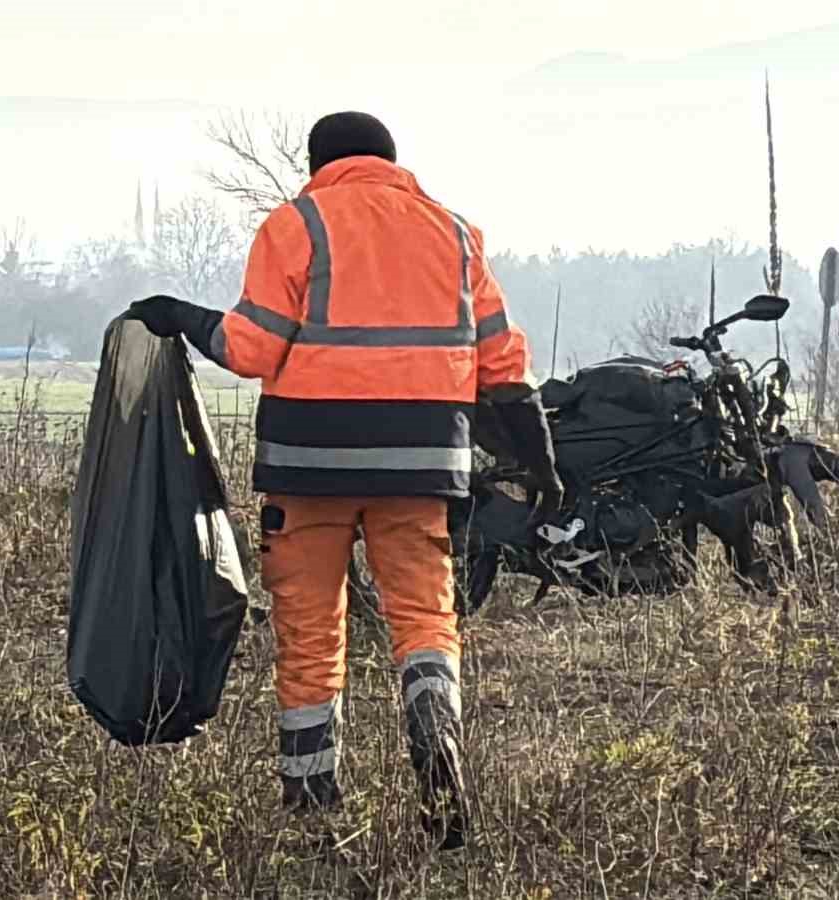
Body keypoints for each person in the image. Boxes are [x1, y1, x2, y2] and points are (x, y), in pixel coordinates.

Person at [127, 111, 563, 851]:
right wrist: (542, 462)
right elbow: (501, 366)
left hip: (309, 467)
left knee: (310, 628)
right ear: (392, 161)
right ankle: (436, 734)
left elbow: (253, 347)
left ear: (317, 162)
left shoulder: (296, 224)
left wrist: (180, 317)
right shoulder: (455, 234)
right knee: (425, 616)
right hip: (422, 467)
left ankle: (313, 799)